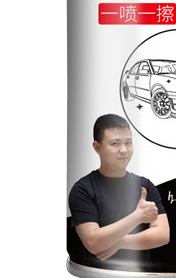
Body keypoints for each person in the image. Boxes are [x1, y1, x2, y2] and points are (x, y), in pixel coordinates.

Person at [68, 114, 170, 268]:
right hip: (96, 276)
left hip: (142, 275)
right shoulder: (83, 189)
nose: (124, 150)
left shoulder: (145, 186)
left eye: (128, 143)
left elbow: (162, 235)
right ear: (97, 147)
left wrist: (120, 242)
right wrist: (137, 217)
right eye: (115, 143)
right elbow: (93, 242)